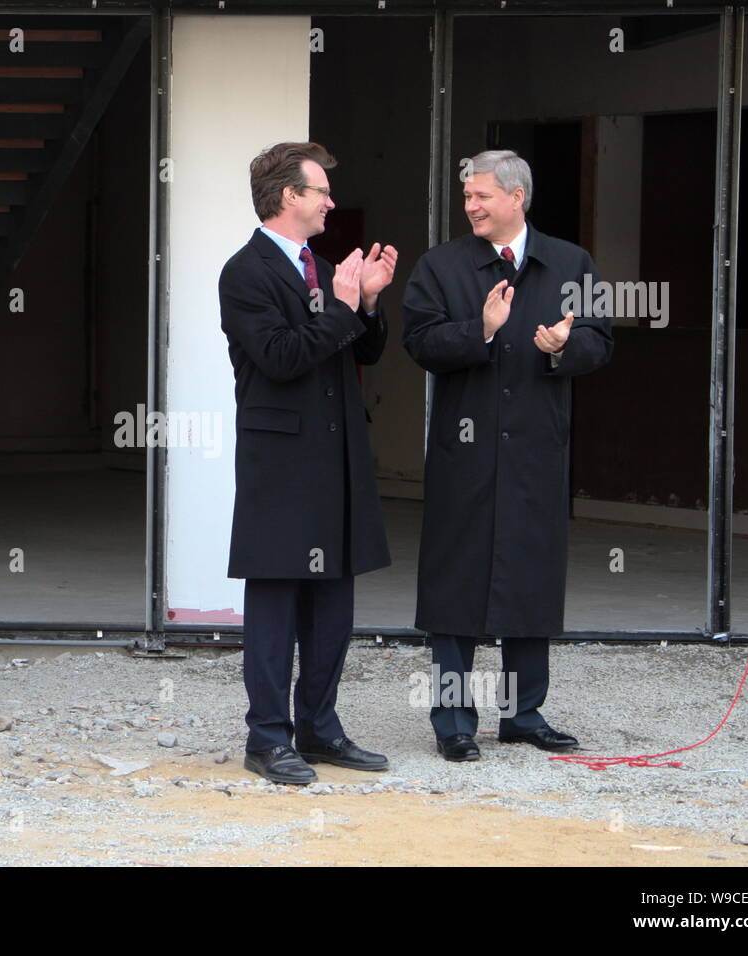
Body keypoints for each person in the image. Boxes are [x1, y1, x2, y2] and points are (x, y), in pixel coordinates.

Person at [401, 149, 613, 761]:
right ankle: (453, 722)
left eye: (481, 196)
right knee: (454, 586)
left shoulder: (570, 263)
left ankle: (523, 714)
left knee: (530, 580)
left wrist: (564, 347)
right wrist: (484, 330)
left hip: (536, 454)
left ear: (517, 197)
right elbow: (419, 342)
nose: (470, 206)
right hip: (463, 455)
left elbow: (601, 342)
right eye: (467, 196)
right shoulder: (441, 267)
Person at [218, 142, 398, 785]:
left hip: (337, 457)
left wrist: (369, 303)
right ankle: (267, 738)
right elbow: (282, 357)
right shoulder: (244, 272)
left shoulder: (321, 267)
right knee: (275, 601)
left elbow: (364, 352)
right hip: (281, 462)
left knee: (332, 601)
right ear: (289, 196)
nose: (329, 201)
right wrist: (346, 309)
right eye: (320, 190)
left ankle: (320, 729)